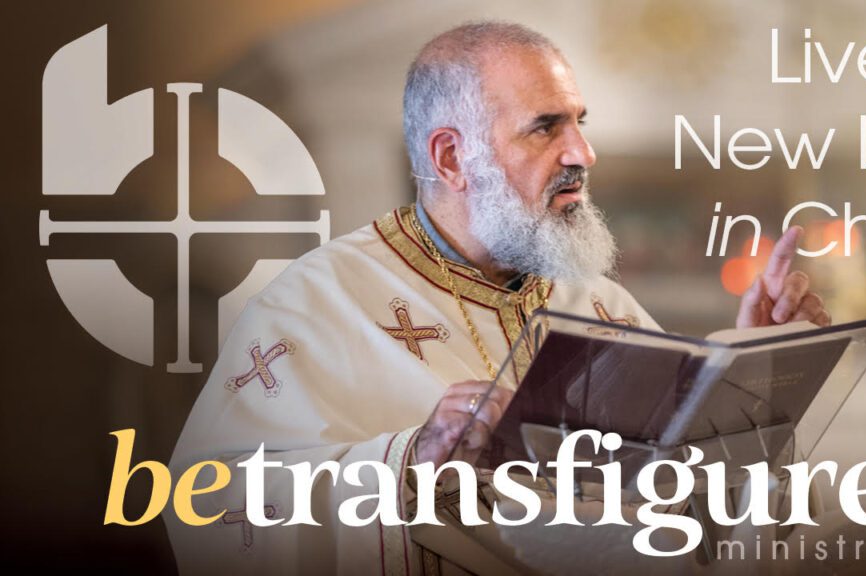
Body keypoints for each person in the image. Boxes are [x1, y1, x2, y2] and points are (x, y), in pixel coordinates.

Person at [165, 21, 830, 576]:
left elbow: (693, 519)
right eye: (545, 128)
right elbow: (210, 507)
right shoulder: (314, 307)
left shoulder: (601, 306)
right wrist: (408, 462)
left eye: (580, 122)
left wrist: (750, 375)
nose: (583, 152)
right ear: (452, 159)